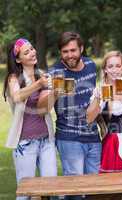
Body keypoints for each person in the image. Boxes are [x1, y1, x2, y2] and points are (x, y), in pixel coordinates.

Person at [37, 32, 101, 200]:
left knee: (94, 190)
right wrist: (55, 92)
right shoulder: (54, 71)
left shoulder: (91, 65)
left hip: (94, 138)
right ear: (60, 53)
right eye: (65, 51)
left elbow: (93, 100)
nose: (69, 55)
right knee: (75, 190)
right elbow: (41, 108)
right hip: (69, 138)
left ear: (81, 49)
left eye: (73, 50)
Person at [3, 38, 57, 200]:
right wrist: (39, 84)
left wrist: (55, 93)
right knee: (26, 192)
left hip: (46, 141)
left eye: (32, 49)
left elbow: (44, 109)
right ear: (18, 59)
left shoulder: (41, 75)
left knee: (51, 188)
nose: (33, 53)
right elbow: (17, 96)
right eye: (26, 52)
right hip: (25, 143)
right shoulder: (13, 78)